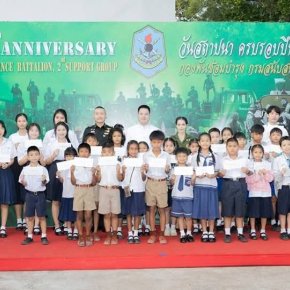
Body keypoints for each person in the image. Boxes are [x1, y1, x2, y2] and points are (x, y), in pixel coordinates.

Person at [219, 137, 253, 243]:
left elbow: (251, 172)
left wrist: (247, 171)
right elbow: (218, 173)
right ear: (226, 148)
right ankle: (228, 233)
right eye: (230, 146)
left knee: (240, 210)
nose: (232, 148)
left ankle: (240, 233)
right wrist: (221, 173)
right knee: (227, 210)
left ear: (238, 147)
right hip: (227, 183)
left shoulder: (244, 160)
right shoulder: (223, 160)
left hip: (240, 183)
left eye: (234, 146)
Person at [143, 130, 171, 244]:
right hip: (150, 183)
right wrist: (145, 168)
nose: (156, 144)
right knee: (151, 209)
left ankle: (162, 234)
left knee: (162, 209)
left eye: (159, 142)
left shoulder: (166, 155)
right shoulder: (146, 155)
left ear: (162, 142)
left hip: (162, 182)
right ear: (150, 142)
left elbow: (168, 171)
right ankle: (153, 233)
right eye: (154, 142)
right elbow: (144, 171)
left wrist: (167, 169)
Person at [44, 122, 72, 236]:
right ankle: (56, 225)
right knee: (55, 199)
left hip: (67, 169)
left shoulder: (70, 144)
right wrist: (53, 156)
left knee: (66, 198)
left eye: (63, 130)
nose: (61, 132)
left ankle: (66, 224)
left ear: (67, 131)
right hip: (54, 168)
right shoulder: (51, 144)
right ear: (56, 131)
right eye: (59, 130)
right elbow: (46, 161)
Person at [17, 123, 45, 235]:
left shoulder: (42, 144)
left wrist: (40, 152)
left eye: (36, 131)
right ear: (28, 132)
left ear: (39, 132)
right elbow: (19, 162)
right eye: (32, 130)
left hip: (39, 175)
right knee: (28, 201)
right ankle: (28, 225)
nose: (34, 133)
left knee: (39, 202)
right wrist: (29, 153)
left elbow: (43, 162)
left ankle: (37, 226)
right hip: (28, 175)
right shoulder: (23, 144)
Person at [192, 133, 220, 242]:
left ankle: (211, 231)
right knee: (202, 209)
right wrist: (196, 176)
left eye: (207, 140)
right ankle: (204, 231)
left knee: (212, 209)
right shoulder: (194, 157)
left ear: (210, 142)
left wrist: (213, 175)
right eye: (202, 140)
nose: (205, 142)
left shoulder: (216, 156)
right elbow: (193, 171)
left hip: (211, 185)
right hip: (200, 185)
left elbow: (218, 171)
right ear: (199, 143)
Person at [19, 146, 49, 245]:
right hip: (29, 195)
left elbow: (45, 183)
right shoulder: (25, 169)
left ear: (39, 156)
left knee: (42, 216)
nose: (34, 157)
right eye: (31, 155)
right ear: (28, 157)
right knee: (30, 217)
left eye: (36, 154)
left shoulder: (43, 169)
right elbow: (22, 182)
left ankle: (44, 236)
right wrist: (23, 182)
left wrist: (44, 180)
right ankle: (29, 236)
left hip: (40, 195)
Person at [96, 142, 123, 245]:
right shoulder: (100, 164)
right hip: (103, 189)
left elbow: (120, 178)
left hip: (115, 189)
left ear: (113, 153)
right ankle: (108, 235)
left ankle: (115, 235)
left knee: (115, 214)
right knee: (106, 215)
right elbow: (98, 180)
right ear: (102, 153)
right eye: (104, 152)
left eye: (109, 152)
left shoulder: (117, 163)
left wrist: (118, 171)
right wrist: (98, 172)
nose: (107, 154)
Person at [71, 143, 97, 247]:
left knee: (88, 215)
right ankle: (81, 236)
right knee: (79, 215)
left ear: (89, 153)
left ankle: (88, 235)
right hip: (78, 189)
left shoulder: (92, 164)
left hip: (89, 189)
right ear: (78, 153)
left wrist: (94, 173)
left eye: (86, 151)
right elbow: (73, 182)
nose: (84, 153)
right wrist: (72, 172)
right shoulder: (74, 164)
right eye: (81, 151)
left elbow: (94, 183)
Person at [246, 145, 273, 241]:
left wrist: (265, 174)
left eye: (260, 152)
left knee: (264, 212)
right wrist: (258, 175)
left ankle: (262, 230)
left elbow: (270, 179)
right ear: (252, 153)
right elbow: (248, 180)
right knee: (253, 212)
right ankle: (252, 229)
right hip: (254, 192)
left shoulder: (267, 164)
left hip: (265, 192)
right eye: (255, 152)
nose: (258, 154)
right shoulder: (249, 164)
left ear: (263, 153)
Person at [122, 140, 147, 244]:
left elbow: (144, 178)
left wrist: (142, 171)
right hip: (127, 189)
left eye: (136, 149)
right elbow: (121, 178)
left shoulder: (141, 162)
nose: (133, 151)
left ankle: (136, 232)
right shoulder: (124, 161)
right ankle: (129, 232)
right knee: (128, 212)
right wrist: (122, 171)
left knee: (137, 213)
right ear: (128, 150)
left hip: (138, 189)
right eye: (131, 149)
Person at [9, 113, 29, 231]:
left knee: (27, 191)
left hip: (28, 163)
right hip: (16, 165)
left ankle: (27, 219)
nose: (21, 123)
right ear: (16, 123)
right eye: (19, 121)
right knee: (17, 191)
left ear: (27, 122)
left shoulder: (30, 135)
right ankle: (18, 220)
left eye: (24, 120)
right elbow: (10, 153)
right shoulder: (12, 137)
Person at [170, 147, 194, 243]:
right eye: (179, 156)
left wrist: (194, 178)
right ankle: (182, 233)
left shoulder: (190, 170)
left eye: (184, 156)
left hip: (187, 195)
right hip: (176, 195)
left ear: (187, 158)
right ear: (176, 158)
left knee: (188, 217)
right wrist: (173, 178)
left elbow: (192, 183)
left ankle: (189, 233)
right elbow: (171, 183)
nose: (182, 158)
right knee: (179, 216)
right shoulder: (173, 170)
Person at [108, 127, 126, 239]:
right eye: (114, 136)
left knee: (119, 207)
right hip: (110, 181)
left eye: (119, 136)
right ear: (111, 137)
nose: (117, 138)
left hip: (122, 181)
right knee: (110, 207)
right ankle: (110, 228)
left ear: (122, 137)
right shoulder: (108, 149)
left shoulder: (125, 149)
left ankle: (119, 228)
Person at [57, 147, 78, 241]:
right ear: (65, 157)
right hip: (66, 194)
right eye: (67, 156)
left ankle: (76, 230)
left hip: (76, 194)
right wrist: (59, 175)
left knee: (77, 214)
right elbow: (61, 181)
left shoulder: (77, 167)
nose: (69, 158)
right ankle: (69, 230)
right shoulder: (62, 167)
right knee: (68, 215)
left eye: (72, 156)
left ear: (75, 157)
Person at [0, 120, 16, 238]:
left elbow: (12, 159)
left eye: (1, 127)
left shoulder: (9, 142)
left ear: (4, 129)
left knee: (4, 201)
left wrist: (8, 164)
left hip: (5, 172)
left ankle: (3, 227)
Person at [273, 136, 290, 240]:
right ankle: (283, 229)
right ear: (281, 147)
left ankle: (289, 230)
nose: (287, 147)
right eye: (284, 145)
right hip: (283, 187)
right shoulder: (277, 160)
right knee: (283, 210)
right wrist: (281, 173)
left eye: (289, 144)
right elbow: (275, 176)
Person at [163, 137, 177, 237]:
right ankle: (167, 226)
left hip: (176, 187)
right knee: (166, 208)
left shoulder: (178, 157)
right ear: (163, 147)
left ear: (174, 147)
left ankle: (173, 227)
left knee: (174, 207)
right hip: (165, 186)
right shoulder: (161, 158)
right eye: (166, 146)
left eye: (171, 146)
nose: (169, 148)